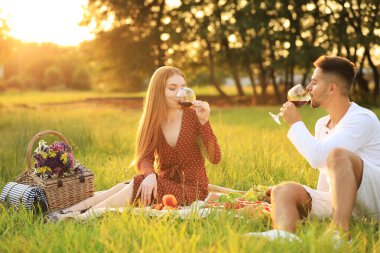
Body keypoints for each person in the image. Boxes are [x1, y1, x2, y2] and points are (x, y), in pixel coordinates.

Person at [50, 66, 221, 221]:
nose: (180, 93)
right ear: (158, 91)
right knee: (125, 185)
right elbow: (144, 158)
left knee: (137, 184)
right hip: (165, 181)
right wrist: (151, 175)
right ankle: (65, 212)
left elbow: (215, 158)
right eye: (172, 88)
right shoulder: (153, 120)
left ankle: (82, 218)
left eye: (183, 87)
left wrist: (205, 123)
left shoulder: (194, 116)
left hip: (192, 189)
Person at [248, 56, 380, 241]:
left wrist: (295, 124)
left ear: (332, 88)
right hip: (343, 201)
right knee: (283, 190)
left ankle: (339, 234)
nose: (308, 87)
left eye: (314, 82)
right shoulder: (321, 124)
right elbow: (327, 179)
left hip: (374, 200)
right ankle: (284, 235)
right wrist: (309, 199)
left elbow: (319, 157)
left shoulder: (362, 119)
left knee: (338, 155)